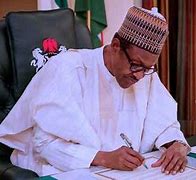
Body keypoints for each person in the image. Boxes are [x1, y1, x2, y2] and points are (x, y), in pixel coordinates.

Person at [0, 6, 191, 176]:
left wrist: (176, 145)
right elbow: (44, 144)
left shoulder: (144, 74)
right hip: (68, 169)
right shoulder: (67, 69)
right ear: (116, 45)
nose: (139, 76)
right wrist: (103, 158)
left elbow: (165, 124)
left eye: (148, 68)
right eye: (135, 65)